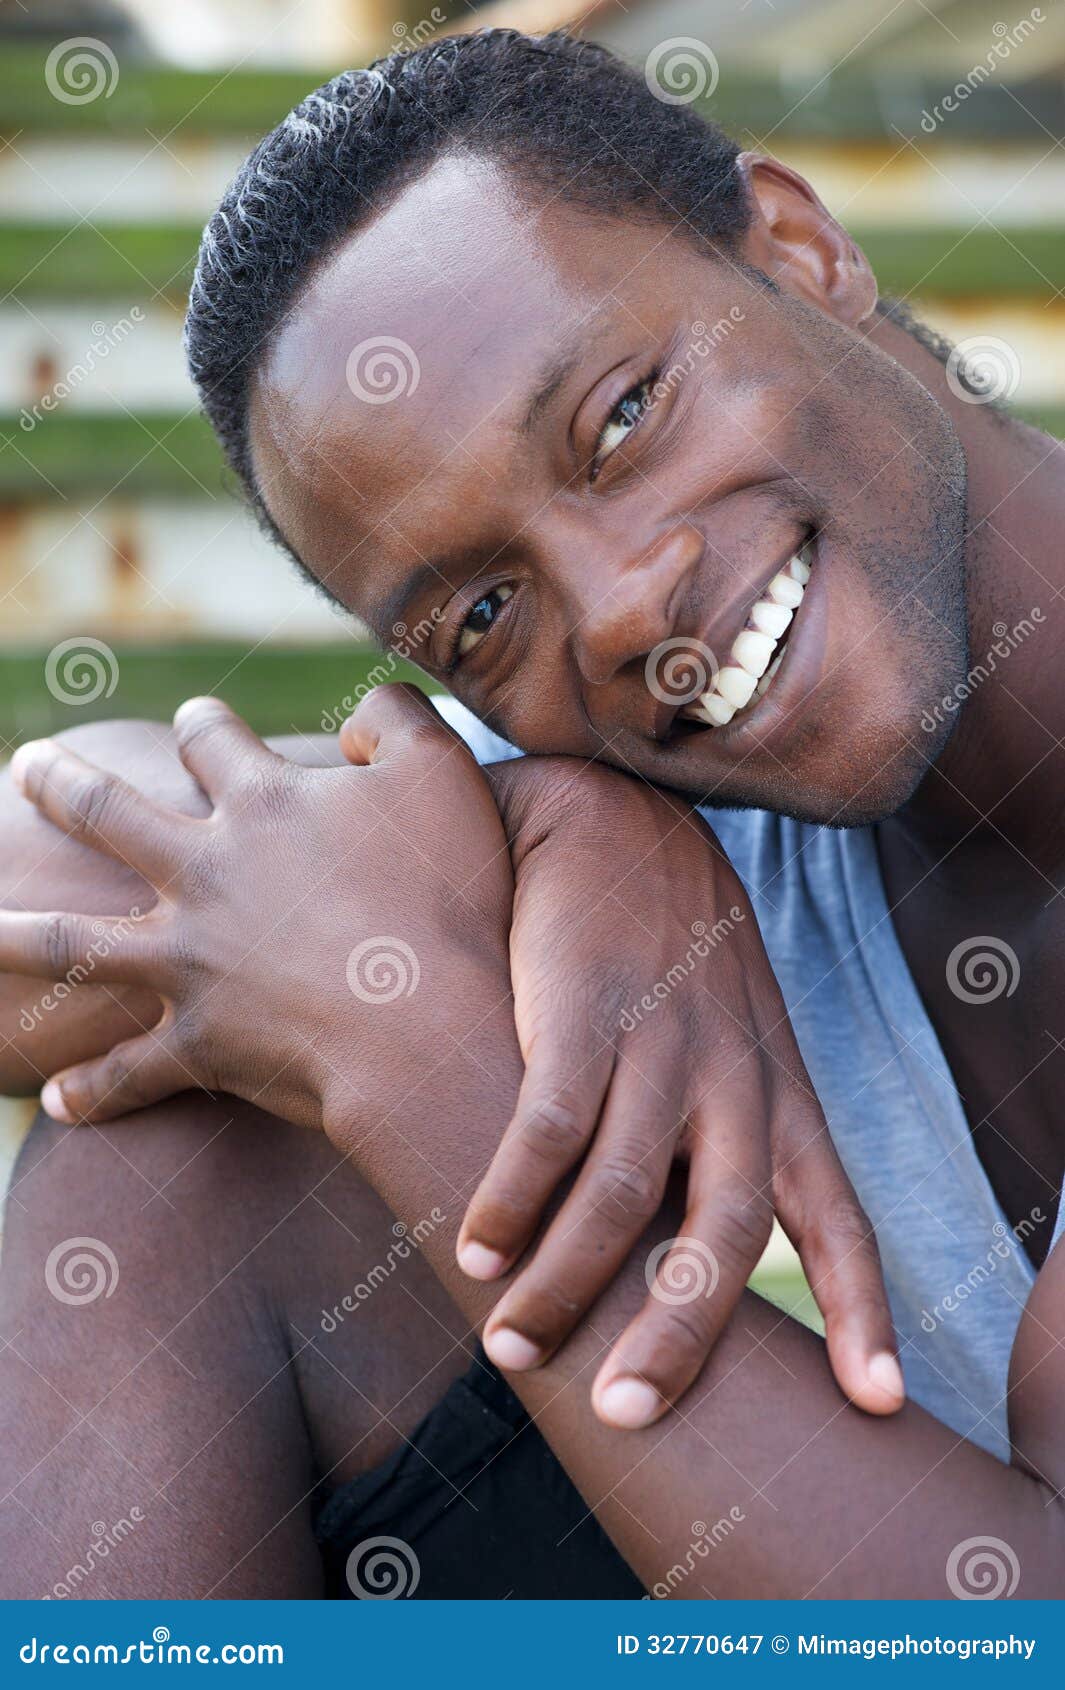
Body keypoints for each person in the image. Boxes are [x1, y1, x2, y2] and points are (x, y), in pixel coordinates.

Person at [0, 30, 1062, 1600]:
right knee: (180, 1161)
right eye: (484, 610)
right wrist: (566, 822)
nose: (624, 608)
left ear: (799, 248)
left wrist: (403, 1051)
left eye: (624, 417)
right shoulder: (679, 777)